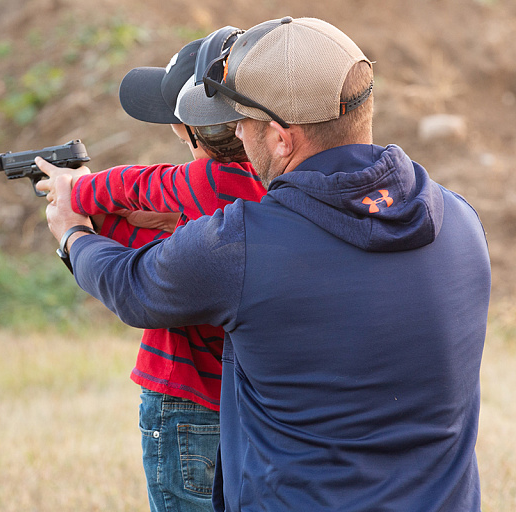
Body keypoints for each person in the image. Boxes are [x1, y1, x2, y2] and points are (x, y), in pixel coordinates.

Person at [40, 16, 491, 512]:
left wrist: (73, 234)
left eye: (240, 122)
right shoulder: (459, 221)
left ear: (280, 137)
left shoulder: (241, 244)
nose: (234, 133)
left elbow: (131, 286)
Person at [38, 27, 267, 512]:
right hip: (244, 410)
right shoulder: (264, 189)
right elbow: (169, 254)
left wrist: (77, 196)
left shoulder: (199, 179)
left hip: (180, 400)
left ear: (191, 128)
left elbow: (140, 186)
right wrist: (105, 221)